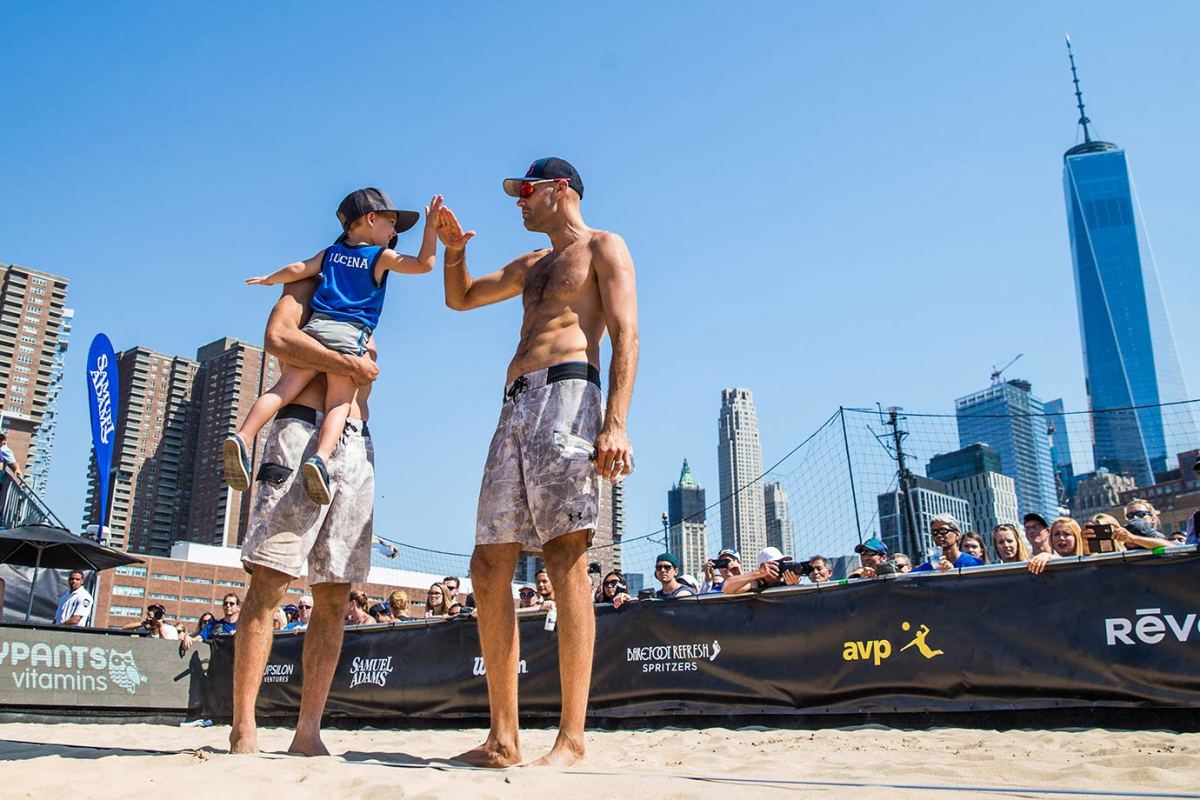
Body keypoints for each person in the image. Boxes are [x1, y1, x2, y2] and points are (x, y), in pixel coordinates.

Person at [440, 157, 638, 768]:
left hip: (572, 392)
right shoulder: (532, 264)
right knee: (488, 562)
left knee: (565, 554)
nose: (517, 202)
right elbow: (461, 298)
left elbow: (627, 335)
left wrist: (616, 423)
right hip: (516, 404)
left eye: (525, 191)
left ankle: (572, 738)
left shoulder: (604, 246)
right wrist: (452, 251)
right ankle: (503, 738)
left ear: (560, 190)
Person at [225, 275, 380, 757]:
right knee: (270, 581)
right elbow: (278, 339)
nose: (387, 244)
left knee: (335, 592)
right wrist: (344, 362)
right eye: (384, 230)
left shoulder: (367, 306)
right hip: (300, 431)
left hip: (353, 444)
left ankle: (308, 731)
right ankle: (243, 729)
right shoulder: (310, 286)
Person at [225, 189, 441, 505]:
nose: (394, 233)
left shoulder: (330, 253)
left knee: (281, 388)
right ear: (371, 219)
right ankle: (321, 460)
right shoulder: (379, 257)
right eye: (391, 223)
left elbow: (298, 269)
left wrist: (270, 278)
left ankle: (242, 437)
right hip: (348, 335)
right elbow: (424, 265)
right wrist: (431, 228)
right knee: (339, 402)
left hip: (315, 329)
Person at [913, 515, 983, 572]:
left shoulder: (974, 564)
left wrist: (952, 572)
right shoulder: (927, 568)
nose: (939, 535)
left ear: (957, 535)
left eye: (943, 530)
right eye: (934, 532)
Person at [721, 547, 802, 594]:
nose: (780, 567)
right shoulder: (756, 582)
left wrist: (793, 587)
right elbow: (727, 587)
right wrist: (758, 573)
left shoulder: (787, 579)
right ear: (763, 566)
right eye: (777, 563)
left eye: (782, 563)